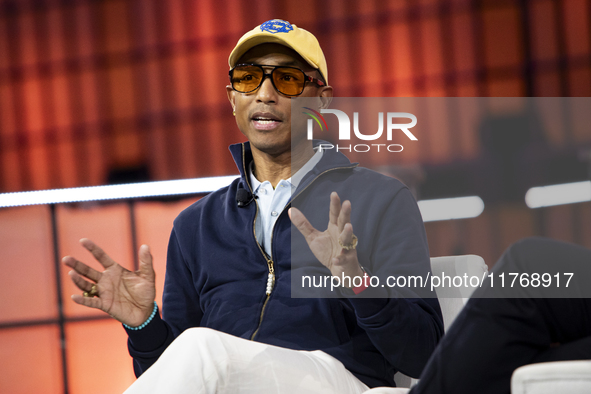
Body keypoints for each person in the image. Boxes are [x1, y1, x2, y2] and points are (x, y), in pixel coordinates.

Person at [63, 19, 443, 393]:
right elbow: (169, 373)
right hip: (229, 379)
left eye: (287, 79)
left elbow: (425, 354)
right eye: (248, 79)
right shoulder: (195, 225)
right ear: (233, 99)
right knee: (196, 352)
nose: (264, 94)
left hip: (338, 378)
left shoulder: (380, 198)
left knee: (200, 349)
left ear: (322, 99)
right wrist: (144, 325)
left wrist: (357, 282)